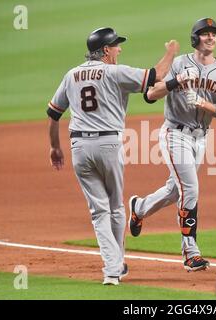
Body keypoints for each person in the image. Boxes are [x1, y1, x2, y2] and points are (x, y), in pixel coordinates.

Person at [46, 27, 179, 285]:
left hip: (79, 149)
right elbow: (156, 76)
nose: (120, 49)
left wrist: (54, 147)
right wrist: (171, 52)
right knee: (116, 207)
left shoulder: (71, 74)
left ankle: (114, 267)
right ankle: (113, 269)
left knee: (98, 212)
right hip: (108, 145)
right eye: (116, 45)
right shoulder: (114, 72)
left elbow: (53, 113)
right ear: (106, 50)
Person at [128, 18, 216, 272]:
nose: (211, 38)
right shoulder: (179, 64)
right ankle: (190, 252)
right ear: (195, 39)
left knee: (176, 189)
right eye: (205, 34)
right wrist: (175, 81)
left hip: (201, 137)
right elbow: (149, 95)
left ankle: (139, 207)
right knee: (190, 188)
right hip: (174, 134)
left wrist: (204, 104)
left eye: (214, 34)